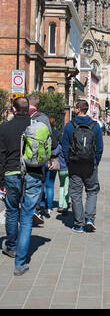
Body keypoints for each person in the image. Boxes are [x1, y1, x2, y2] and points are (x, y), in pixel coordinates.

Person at [0, 97, 45, 276]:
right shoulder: (38, 126)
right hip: (33, 174)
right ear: (28, 109)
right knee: (26, 217)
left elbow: (1, 157)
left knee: (12, 211)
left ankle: (11, 247)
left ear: (13, 109)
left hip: (11, 175)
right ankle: (20, 263)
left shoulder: (4, 128)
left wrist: (1, 181)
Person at [62, 100, 103, 233]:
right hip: (90, 165)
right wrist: (95, 161)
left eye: (74, 107)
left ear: (78, 109)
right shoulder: (95, 126)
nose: (73, 109)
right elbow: (99, 148)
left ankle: (79, 224)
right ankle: (90, 219)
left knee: (76, 194)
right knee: (91, 191)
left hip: (74, 165)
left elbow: (65, 147)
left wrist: (69, 162)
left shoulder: (69, 125)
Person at [28, 94, 56, 225]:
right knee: (39, 183)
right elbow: (49, 138)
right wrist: (49, 157)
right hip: (40, 157)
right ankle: (36, 209)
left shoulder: (23, 115)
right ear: (38, 104)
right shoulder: (44, 118)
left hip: (24, 156)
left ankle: (27, 207)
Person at [43, 116, 61, 216]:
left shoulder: (43, 132)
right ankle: (49, 207)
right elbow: (61, 147)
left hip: (44, 160)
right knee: (50, 185)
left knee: (43, 183)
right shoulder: (58, 133)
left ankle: (42, 204)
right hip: (54, 161)